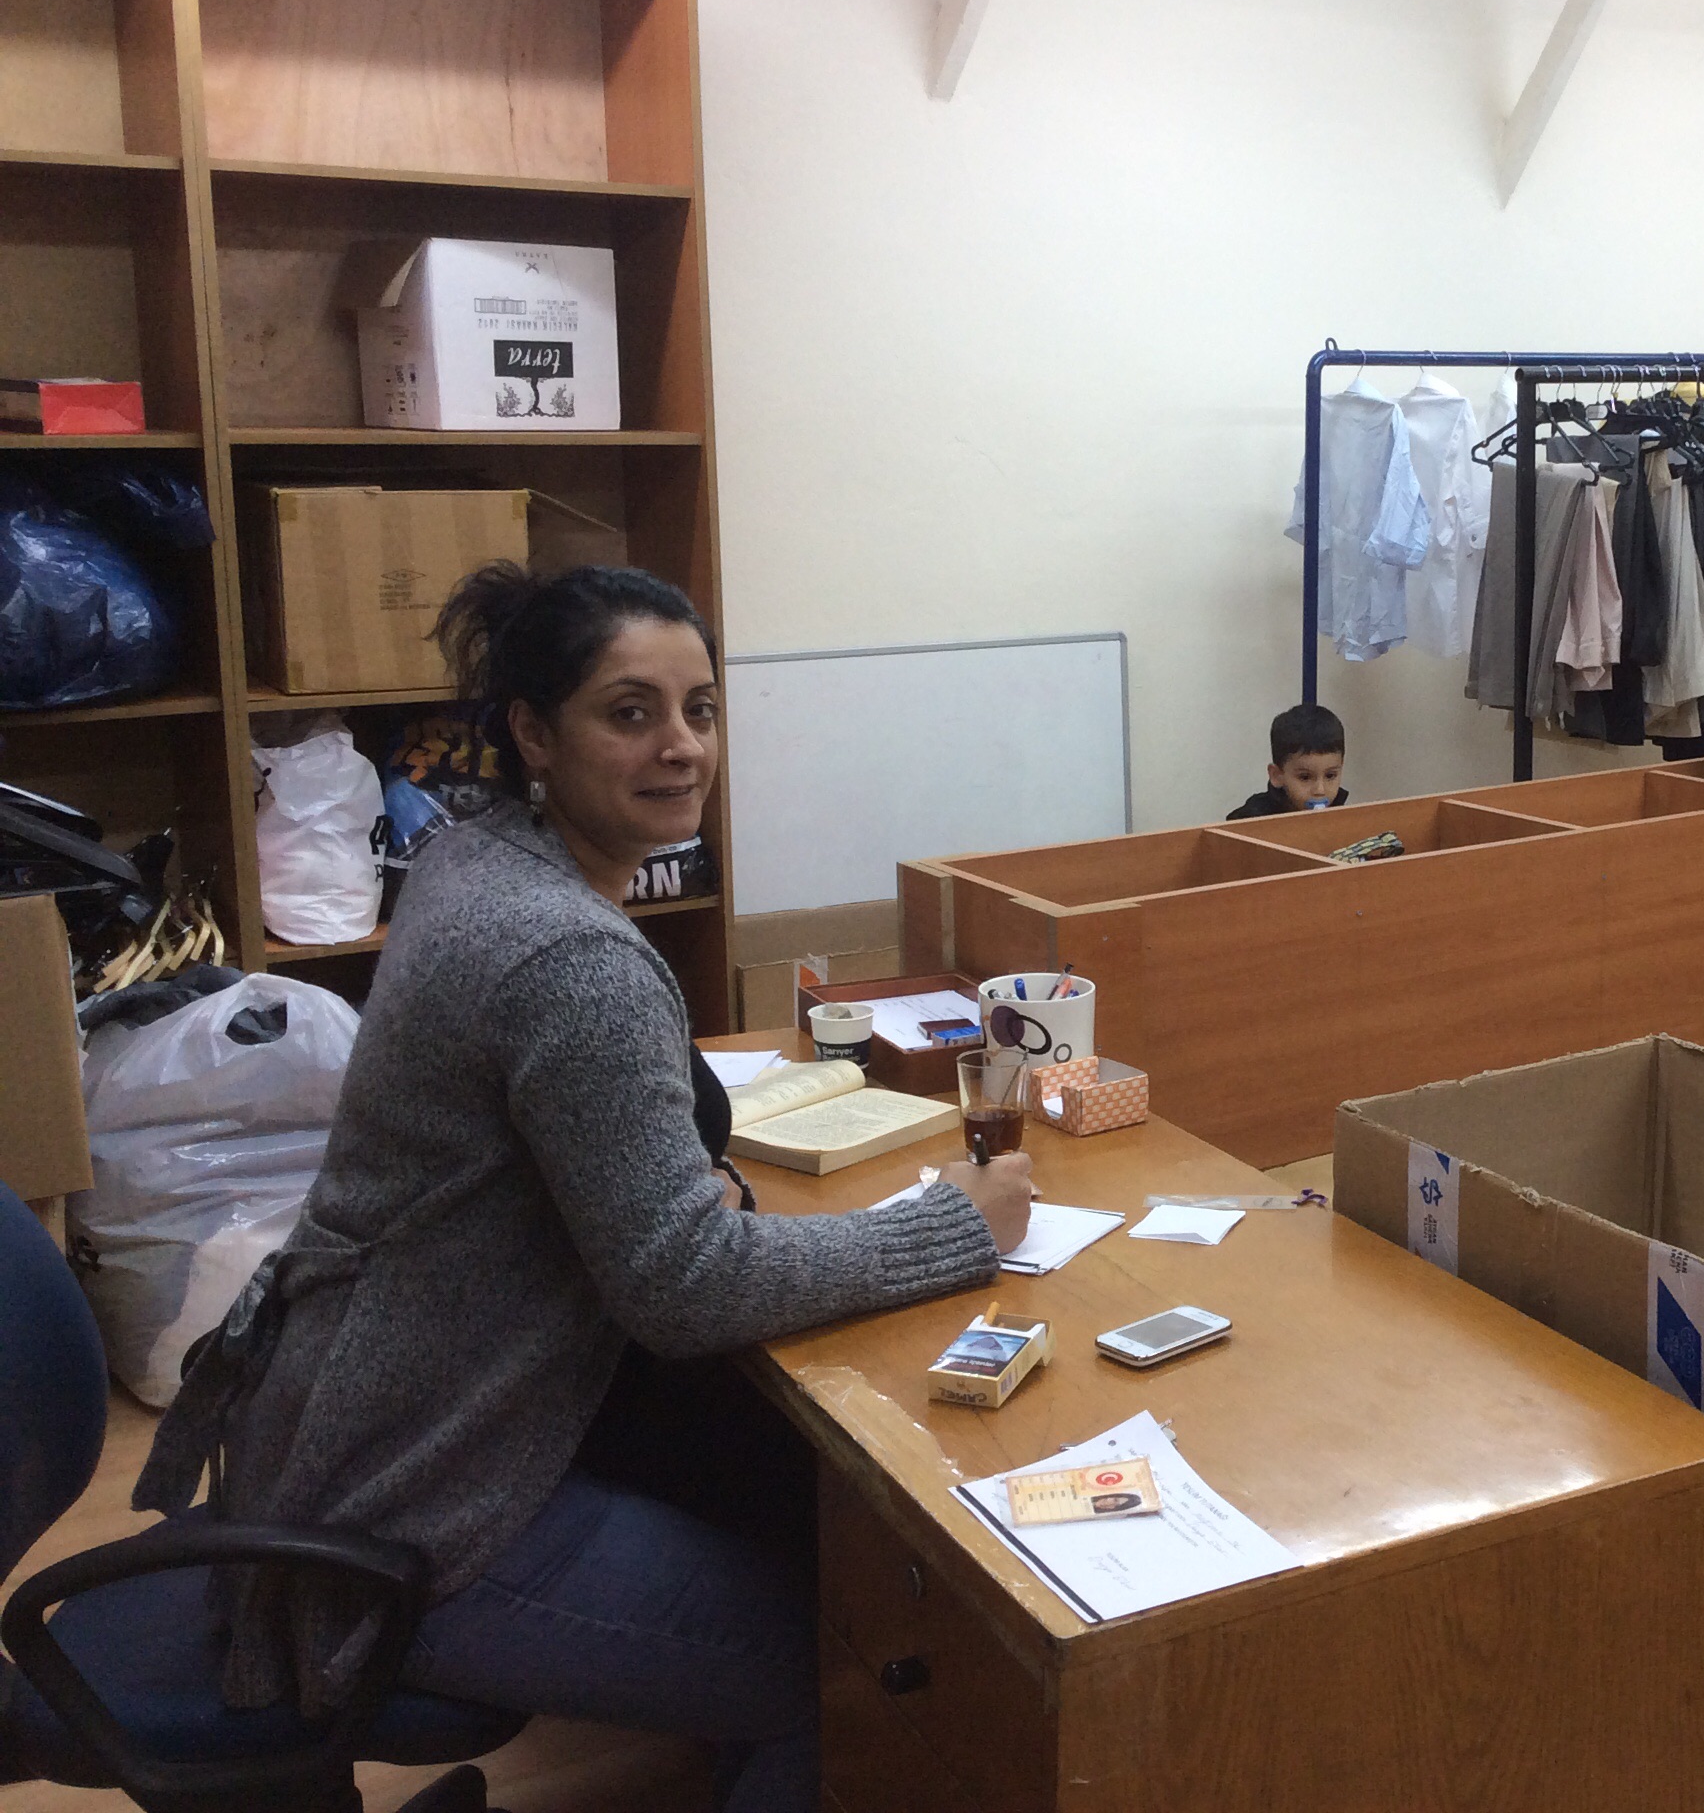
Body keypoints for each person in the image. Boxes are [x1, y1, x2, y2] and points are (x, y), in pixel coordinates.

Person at [137, 563, 1034, 1813]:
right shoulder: (569, 955)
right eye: (630, 712)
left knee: (803, 1495)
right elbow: (683, 1287)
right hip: (419, 1498)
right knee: (843, 1664)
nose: (682, 747)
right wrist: (951, 1230)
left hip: (353, 1424)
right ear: (533, 733)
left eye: (700, 709)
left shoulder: (472, 862)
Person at [1226, 702, 1350, 819]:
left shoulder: (1345, 816)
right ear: (1276, 775)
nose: (1320, 790)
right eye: (1305, 777)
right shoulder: (1251, 820)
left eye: (1330, 776)